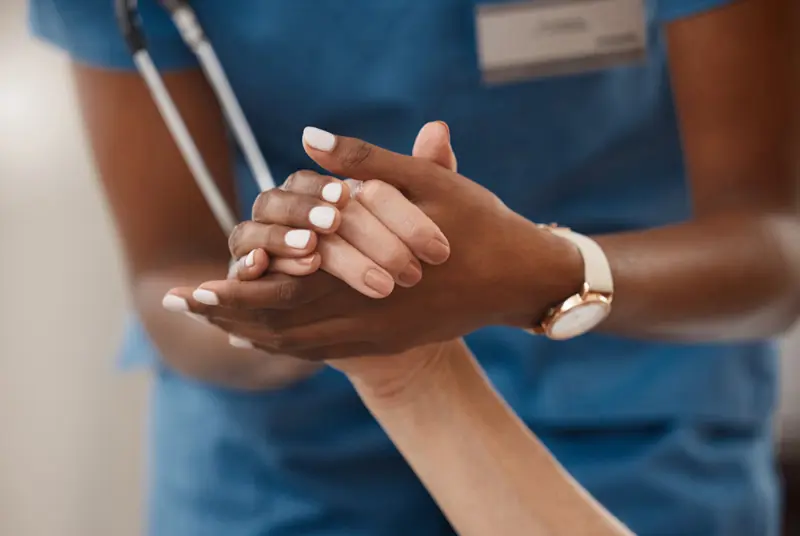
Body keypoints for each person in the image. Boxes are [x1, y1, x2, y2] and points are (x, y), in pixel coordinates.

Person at [30, 0, 797, 535]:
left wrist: (545, 272)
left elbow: (776, 246)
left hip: (636, 400)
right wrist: (281, 314)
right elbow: (168, 265)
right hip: (284, 454)